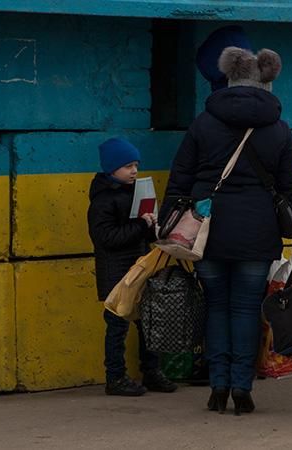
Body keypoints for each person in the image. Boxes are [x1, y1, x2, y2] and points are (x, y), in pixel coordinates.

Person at [162, 46, 292, 415]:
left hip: (207, 231)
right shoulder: (278, 129)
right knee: (247, 309)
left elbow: (180, 177)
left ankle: (217, 388)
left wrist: (168, 223)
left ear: (228, 77)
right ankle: (242, 388)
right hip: (256, 233)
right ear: (264, 78)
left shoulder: (203, 123)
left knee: (216, 306)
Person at [88, 137, 178, 396]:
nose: (134, 171)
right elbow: (106, 238)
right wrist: (140, 225)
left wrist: (152, 227)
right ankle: (115, 377)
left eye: (136, 165)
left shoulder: (136, 194)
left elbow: (141, 234)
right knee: (117, 326)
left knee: (148, 322)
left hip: (139, 266)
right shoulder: (103, 201)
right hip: (116, 272)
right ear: (112, 168)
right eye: (128, 166)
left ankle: (151, 371)